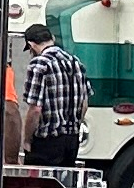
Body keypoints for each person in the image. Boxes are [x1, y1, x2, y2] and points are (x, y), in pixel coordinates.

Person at [20, 19, 88, 169]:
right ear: (53, 39)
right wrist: (74, 126)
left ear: (31, 45)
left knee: (38, 187)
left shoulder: (39, 64)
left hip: (47, 142)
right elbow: (84, 104)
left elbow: (35, 110)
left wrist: (27, 140)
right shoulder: (75, 62)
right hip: (72, 141)